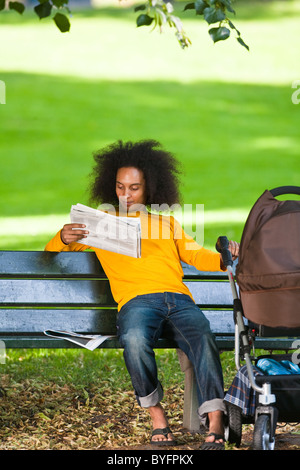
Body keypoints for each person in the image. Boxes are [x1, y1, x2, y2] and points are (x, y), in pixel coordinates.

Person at [45, 140, 239, 450]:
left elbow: (197, 255)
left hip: (177, 298)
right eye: (120, 187)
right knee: (133, 340)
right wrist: (64, 236)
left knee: (202, 334)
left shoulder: (166, 223)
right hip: (136, 302)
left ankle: (215, 419)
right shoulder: (100, 225)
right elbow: (53, 250)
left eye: (134, 188)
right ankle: (157, 415)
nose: (126, 195)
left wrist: (223, 255)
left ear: (150, 188)